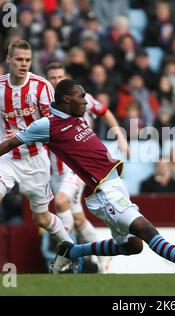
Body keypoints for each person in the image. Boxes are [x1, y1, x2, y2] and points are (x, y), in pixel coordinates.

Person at [0, 79, 175, 273]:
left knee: (133, 246)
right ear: (67, 99)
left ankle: (73, 249)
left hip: (116, 183)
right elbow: (8, 143)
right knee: (146, 230)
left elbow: (97, 110)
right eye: (81, 97)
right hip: (104, 193)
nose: (85, 102)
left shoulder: (75, 112)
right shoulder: (46, 125)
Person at [0, 40, 73, 275]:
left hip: (36, 159)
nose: (24, 64)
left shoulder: (42, 86)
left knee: (42, 219)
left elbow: (52, 124)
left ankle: (70, 246)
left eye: (27, 60)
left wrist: (29, 136)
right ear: (8, 59)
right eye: (19, 59)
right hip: (4, 156)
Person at [45, 63, 128, 247]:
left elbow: (104, 111)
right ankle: (101, 260)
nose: (56, 81)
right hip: (55, 169)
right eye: (52, 77)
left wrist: (120, 136)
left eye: (59, 76)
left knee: (60, 203)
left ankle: (66, 252)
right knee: (78, 219)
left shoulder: (81, 98)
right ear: (47, 79)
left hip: (78, 166)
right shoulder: (43, 103)